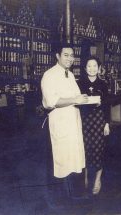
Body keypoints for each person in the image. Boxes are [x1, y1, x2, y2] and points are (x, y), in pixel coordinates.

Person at [41, 44, 88, 199]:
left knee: (73, 159)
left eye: (72, 55)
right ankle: (60, 199)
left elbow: (76, 97)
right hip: (60, 121)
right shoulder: (50, 75)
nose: (70, 58)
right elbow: (51, 101)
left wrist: (87, 99)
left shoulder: (70, 74)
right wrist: (75, 99)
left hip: (73, 122)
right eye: (66, 55)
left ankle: (74, 195)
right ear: (57, 56)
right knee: (61, 160)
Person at [77, 56, 111, 195]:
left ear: (99, 68)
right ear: (85, 68)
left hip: (98, 120)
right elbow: (76, 103)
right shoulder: (79, 83)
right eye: (89, 66)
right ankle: (84, 177)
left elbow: (107, 105)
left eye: (95, 66)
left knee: (98, 148)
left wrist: (107, 124)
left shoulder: (103, 84)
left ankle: (97, 179)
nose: (92, 69)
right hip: (84, 119)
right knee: (84, 148)